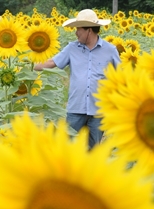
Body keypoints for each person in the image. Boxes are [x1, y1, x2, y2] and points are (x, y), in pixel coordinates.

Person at [34, 9, 120, 149]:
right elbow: (52, 62)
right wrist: (29, 66)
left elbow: (121, 75)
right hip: (76, 108)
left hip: (98, 110)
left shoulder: (110, 50)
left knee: (94, 150)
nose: (76, 32)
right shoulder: (72, 48)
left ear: (89, 30)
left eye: (78, 29)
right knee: (67, 147)